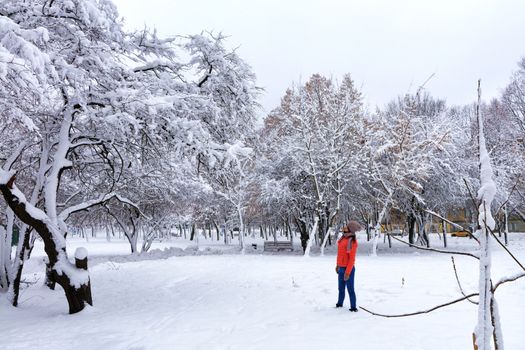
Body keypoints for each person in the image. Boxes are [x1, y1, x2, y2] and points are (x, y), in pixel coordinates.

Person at [335, 220, 361, 311]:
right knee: (340, 288)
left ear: (351, 229)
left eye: (347, 227)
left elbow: (351, 259)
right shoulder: (342, 239)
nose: (345, 228)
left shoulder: (352, 242)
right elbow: (339, 254)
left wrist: (348, 272)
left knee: (350, 289)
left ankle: (353, 307)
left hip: (348, 269)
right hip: (341, 268)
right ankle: (339, 304)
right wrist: (337, 265)